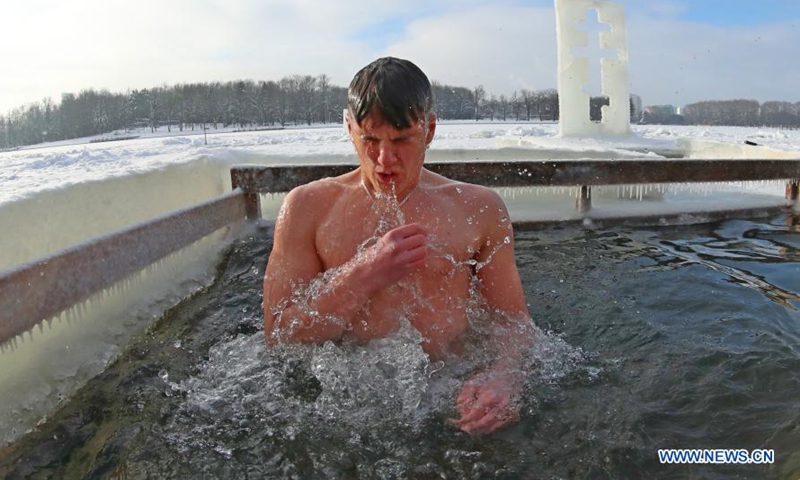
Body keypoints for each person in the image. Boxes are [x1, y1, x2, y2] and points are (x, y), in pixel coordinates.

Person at [262, 57, 535, 435]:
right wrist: (361, 275)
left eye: (402, 139)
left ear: (430, 129)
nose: (384, 160)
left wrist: (505, 377)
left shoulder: (478, 208)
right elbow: (279, 335)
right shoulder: (308, 208)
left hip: (454, 397)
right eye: (369, 139)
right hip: (347, 412)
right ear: (348, 127)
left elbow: (515, 324)